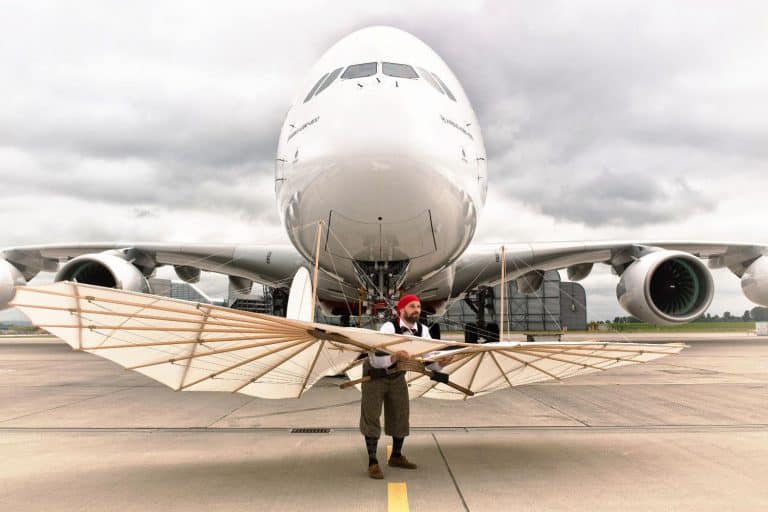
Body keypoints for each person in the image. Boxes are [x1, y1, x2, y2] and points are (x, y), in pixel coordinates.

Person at [361, 294, 430, 479]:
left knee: (401, 414)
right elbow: (374, 360)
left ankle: (396, 456)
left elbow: (430, 360)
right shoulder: (388, 328)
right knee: (372, 416)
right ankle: (373, 462)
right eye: (412, 306)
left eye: (418, 306)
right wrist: (394, 357)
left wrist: (442, 362)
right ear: (401, 310)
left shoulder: (423, 330)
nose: (416, 310)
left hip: (397, 375)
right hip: (375, 374)